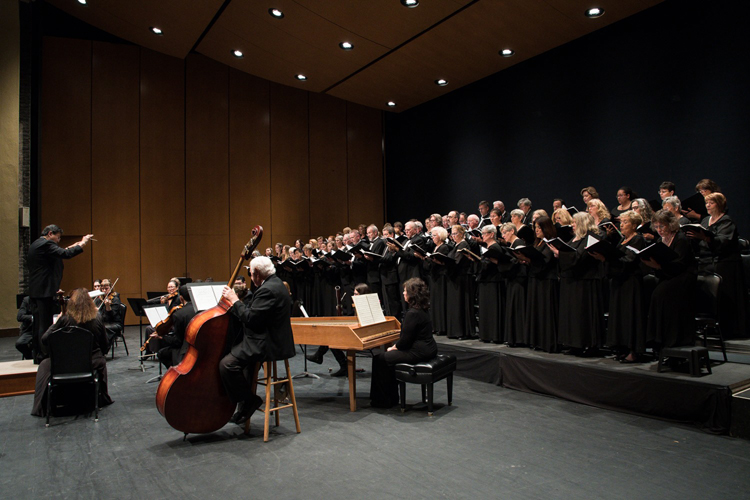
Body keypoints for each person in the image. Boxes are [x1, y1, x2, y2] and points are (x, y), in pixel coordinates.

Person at [219, 257, 296, 425]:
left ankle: (249, 400)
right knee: (242, 363)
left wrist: (234, 300)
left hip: (268, 343)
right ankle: (244, 407)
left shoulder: (267, 290)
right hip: (269, 338)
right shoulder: (275, 284)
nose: (251, 277)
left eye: (251, 274)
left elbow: (250, 318)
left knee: (227, 364)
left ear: (257, 274)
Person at [31, 288, 113, 417]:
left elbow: (45, 339)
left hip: (64, 364)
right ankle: (99, 398)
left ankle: (45, 405)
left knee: (44, 365)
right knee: (101, 361)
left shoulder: (65, 319)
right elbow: (105, 345)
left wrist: (57, 322)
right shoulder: (97, 318)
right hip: (90, 363)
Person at [27, 224, 93, 363]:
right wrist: (83, 243)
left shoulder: (38, 244)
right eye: (57, 238)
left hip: (38, 290)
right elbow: (65, 254)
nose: (58, 240)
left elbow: (58, 252)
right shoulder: (45, 244)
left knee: (39, 323)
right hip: (44, 291)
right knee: (44, 325)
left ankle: (39, 355)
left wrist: (73, 245)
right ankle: (44, 356)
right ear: (50, 233)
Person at [686, 193, 747, 338]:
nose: (707, 205)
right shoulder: (706, 220)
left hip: (724, 263)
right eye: (706, 203)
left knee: (724, 295)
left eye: (711, 203)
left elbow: (724, 242)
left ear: (719, 204)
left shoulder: (726, 221)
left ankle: (728, 328)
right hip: (706, 261)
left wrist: (706, 237)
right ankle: (708, 326)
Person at [369, 278, 437, 409]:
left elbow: (405, 341)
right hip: (429, 349)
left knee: (380, 359)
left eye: (405, 291)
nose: (404, 293)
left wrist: (394, 347)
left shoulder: (412, 313)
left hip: (418, 352)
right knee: (386, 358)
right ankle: (391, 397)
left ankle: (383, 400)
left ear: (412, 294)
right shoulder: (423, 309)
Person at [592, 210, 648, 362]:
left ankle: (633, 350)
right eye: (621, 222)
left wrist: (606, 257)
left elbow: (628, 260)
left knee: (630, 316)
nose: (621, 225)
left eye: (625, 222)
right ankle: (622, 347)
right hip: (619, 282)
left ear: (635, 225)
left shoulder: (637, 239)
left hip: (631, 283)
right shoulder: (623, 239)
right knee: (619, 316)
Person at [550, 212, 605, 355]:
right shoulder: (575, 238)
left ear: (582, 223)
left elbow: (580, 257)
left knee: (583, 314)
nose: (572, 225)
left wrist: (559, 253)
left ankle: (588, 344)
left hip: (584, 282)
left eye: (574, 222)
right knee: (571, 314)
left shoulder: (592, 238)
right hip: (571, 281)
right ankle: (574, 344)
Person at [642, 210, 697, 349]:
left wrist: (659, 266)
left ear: (670, 224)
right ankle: (659, 339)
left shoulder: (681, 239)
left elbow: (680, 264)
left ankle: (672, 340)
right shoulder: (660, 240)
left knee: (661, 294)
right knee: (656, 293)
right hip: (668, 275)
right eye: (657, 227)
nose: (659, 230)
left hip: (683, 277)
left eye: (662, 226)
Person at [519, 216, 559, 352]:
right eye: (535, 228)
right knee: (536, 311)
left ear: (546, 229)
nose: (536, 231)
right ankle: (536, 340)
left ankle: (547, 342)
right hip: (535, 280)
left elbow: (545, 262)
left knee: (545, 312)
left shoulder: (550, 243)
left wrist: (529, 260)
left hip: (546, 281)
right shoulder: (538, 243)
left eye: (539, 228)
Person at [150, 285, 195, 370]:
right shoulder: (202, 309)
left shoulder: (179, 314)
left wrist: (162, 337)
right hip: (200, 346)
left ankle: (176, 374)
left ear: (181, 298)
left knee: (162, 353)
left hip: (186, 349)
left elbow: (177, 342)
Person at [94, 279, 124, 344]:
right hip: (104, 321)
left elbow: (111, 317)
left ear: (111, 288)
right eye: (102, 289)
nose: (104, 291)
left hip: (114, 323)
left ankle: (104, 346)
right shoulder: (101, 299)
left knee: (101, 328)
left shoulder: (115, 299)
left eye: (106, 289)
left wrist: (108, 306)